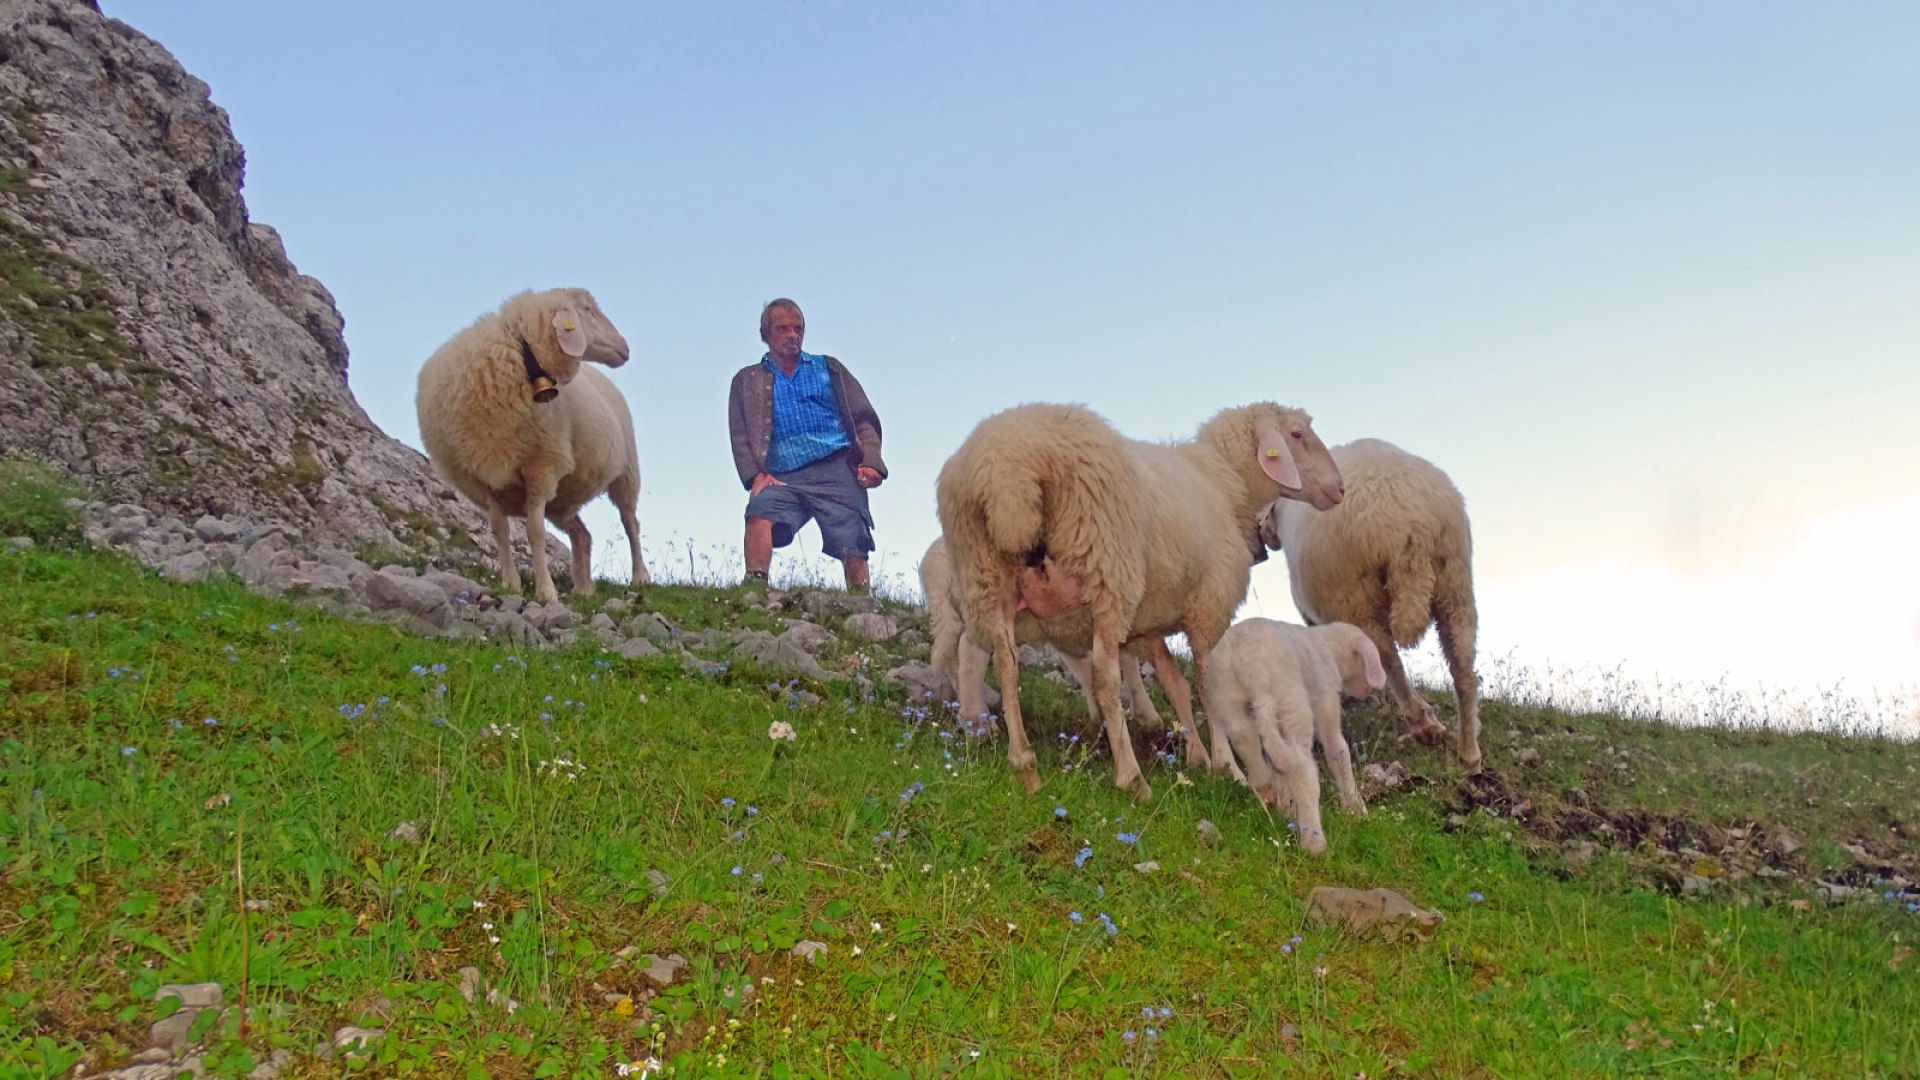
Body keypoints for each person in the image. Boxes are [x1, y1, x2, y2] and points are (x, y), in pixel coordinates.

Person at [727, 298, 886, 592]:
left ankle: (861, 601)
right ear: (765, 335)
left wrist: (871, 460)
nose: (792, 335)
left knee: (853, 535)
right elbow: (740, 436)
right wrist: (755, 476)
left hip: (836, 467)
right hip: (782, 475)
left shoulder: (829, 368)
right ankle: (754, 589)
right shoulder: (747, 381)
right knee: (760, 512)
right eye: (782, 329)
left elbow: (863, 418)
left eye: (797, 328)